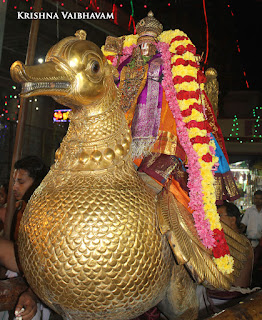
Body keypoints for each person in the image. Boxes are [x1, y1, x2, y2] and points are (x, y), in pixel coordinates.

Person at [0, 156, 49, 320]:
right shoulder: (20, 205)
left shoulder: (44, 210)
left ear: (37, 183)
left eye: (21, 182)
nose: (14, 187)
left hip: (39, 270)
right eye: (14, 181)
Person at [198, 201, 254, 318]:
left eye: (219, 216)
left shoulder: (240, 243)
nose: (215, 219)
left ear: (232, 220)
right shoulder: (227, 240)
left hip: (232, 295)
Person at [240, 190, 262, 287]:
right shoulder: (249, 211)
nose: (257, 200)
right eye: (256, 198)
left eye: (260, 199)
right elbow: (243, 225)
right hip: (250, 242)